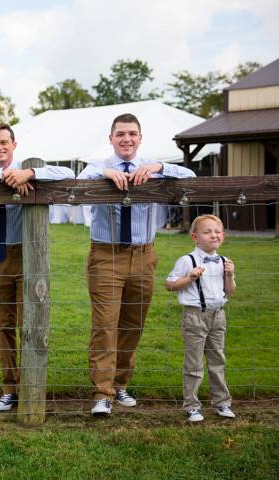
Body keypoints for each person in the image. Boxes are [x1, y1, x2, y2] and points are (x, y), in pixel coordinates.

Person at [77, 113, 196, 417]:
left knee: (133, 324)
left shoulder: (154, 168)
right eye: (120, 134)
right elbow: (79, 182)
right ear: (111, 138)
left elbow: (191, 179)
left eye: (132, 134)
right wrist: (105, 173)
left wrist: (159, 167)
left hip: (144, 256)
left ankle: (120, 385)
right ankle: (102, 393)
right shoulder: (98, 167)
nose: (126, 139)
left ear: (140, 138)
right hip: (106, 256)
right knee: (105, 326)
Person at [0, 123, 74, 411]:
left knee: (30, 322)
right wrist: (6, 177)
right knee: (3, 323)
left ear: (14, 144)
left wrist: (29, 174)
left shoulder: (30, 169)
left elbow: (69, 173)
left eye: (4, 143)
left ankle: (31, 385)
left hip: (28, 255)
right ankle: (10, 387)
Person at [165, 214, 237, 422]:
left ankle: (222, 403)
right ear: (195, 237)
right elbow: (169, 285)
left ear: (223, 235)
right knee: (194, 363)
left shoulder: (225, 261)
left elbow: (230, 291)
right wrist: (190, 278)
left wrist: (230, 275)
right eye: (207, 232)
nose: (213, 235)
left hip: (218, 316)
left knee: (217, 361)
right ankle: (192, 406)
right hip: (195, 316)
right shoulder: (187, 260)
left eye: (217, 232)